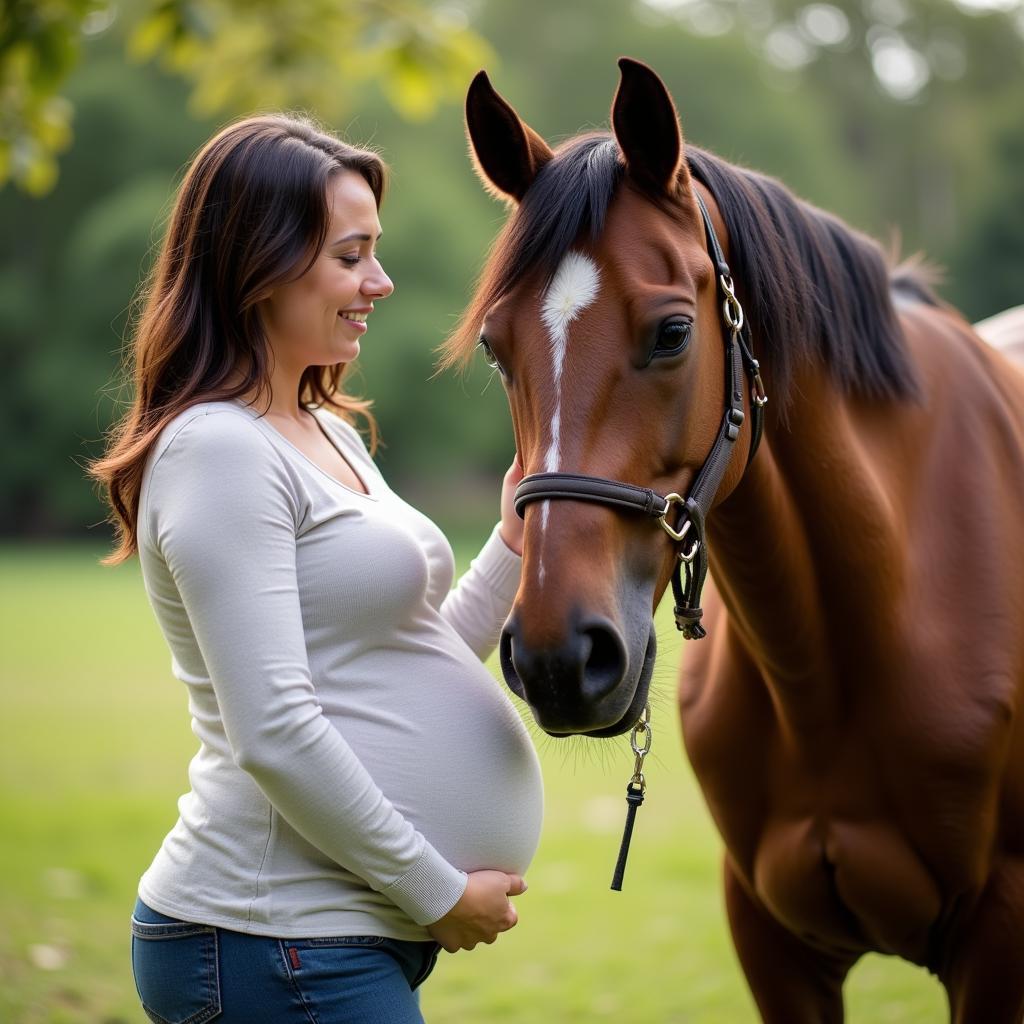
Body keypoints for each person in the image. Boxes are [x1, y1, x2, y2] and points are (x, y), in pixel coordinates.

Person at [89, 114, 544, 1024]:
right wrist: (435, 891)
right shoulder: (219, 451)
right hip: (267, 939)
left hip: (319, 939)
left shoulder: (324, 429)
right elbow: (274, 728)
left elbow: (402, 659)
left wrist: (511, 545)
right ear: (257, 264)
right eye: (351, 256)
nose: (380, 282)